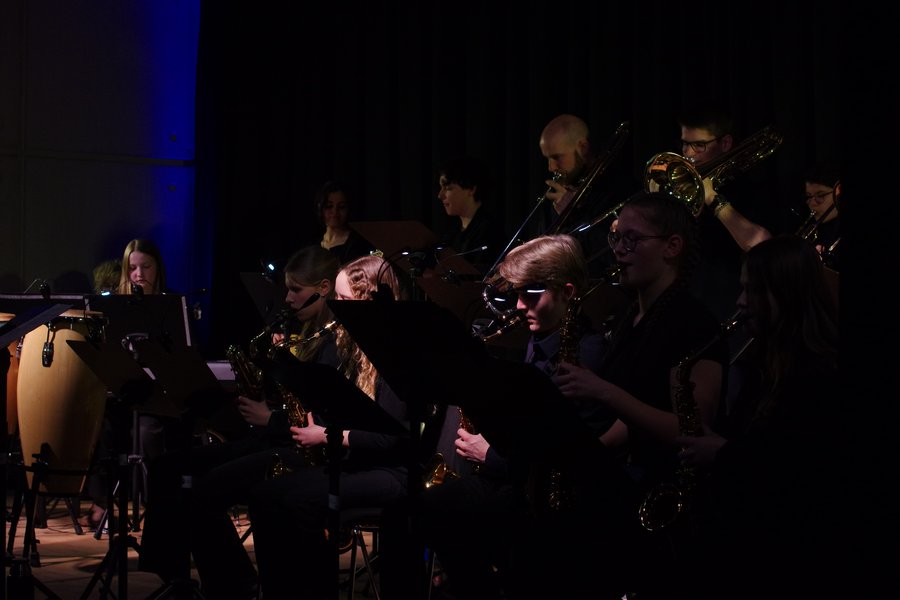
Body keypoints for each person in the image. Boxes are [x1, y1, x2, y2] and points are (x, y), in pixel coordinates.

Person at [379, 233, 633, 600]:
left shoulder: (586, 354)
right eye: (516, 293)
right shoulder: (540, 335)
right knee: (406, 513)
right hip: (520, 480)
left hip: (553, 494)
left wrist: (491, 454)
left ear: (568, 292)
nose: (518, 305)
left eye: (531, 293)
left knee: (436, 519)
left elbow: (565, 448)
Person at [552, 190, 729, 600]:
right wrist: (588, 453)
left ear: (672, 247)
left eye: (632, 239)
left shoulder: (693, 323)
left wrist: (603, 391)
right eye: (616, 238)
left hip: (671, 497)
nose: (618, 250)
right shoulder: (633, 316)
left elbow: (692, 430)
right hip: (634, 478)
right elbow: (631, 418)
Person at [138, 245, 342, 598]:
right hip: (274, 436)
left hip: (297, 447)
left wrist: (270, 417)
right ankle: (176, 577)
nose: (287, 298)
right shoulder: (305, 334)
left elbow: (320, 416)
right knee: (170, 467)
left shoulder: (333, 343)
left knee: (202, 492)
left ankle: (234, 586)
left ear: (323, 288)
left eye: (295, 290)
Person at [674, 235, 845, 599]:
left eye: (753, 291)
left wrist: (721, 453)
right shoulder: (762, 367)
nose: (740, 301)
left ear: (786, 295)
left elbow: (797, 477)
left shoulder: (820, 377)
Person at [245, 254, 409, 600]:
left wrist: (326, 435)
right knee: (264, 496)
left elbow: (390, 440)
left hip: (391, 471)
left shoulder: (395, 354)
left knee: (299, 502)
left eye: (344, 299)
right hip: (356, 461)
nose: (335, 306)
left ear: (368, 301)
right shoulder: (352, 347)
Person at [527, 114, 635, 272]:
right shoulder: (556, 193)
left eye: (557, 157)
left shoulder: (620, 189)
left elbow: (615, 255)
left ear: (583, 148)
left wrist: (574, 217)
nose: (551, 167)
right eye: (548, 158)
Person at [436, 156, 507, 276]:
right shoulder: (451, 234)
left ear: (471, 189)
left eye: (448, 188)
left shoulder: (491, 232)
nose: (440, 195)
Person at [314, 180, 375, 265]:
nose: (335, 212)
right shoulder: (313, 244)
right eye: (329, 206)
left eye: (342, 207)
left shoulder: (361, 243)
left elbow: (380, 260)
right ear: (320, 208)